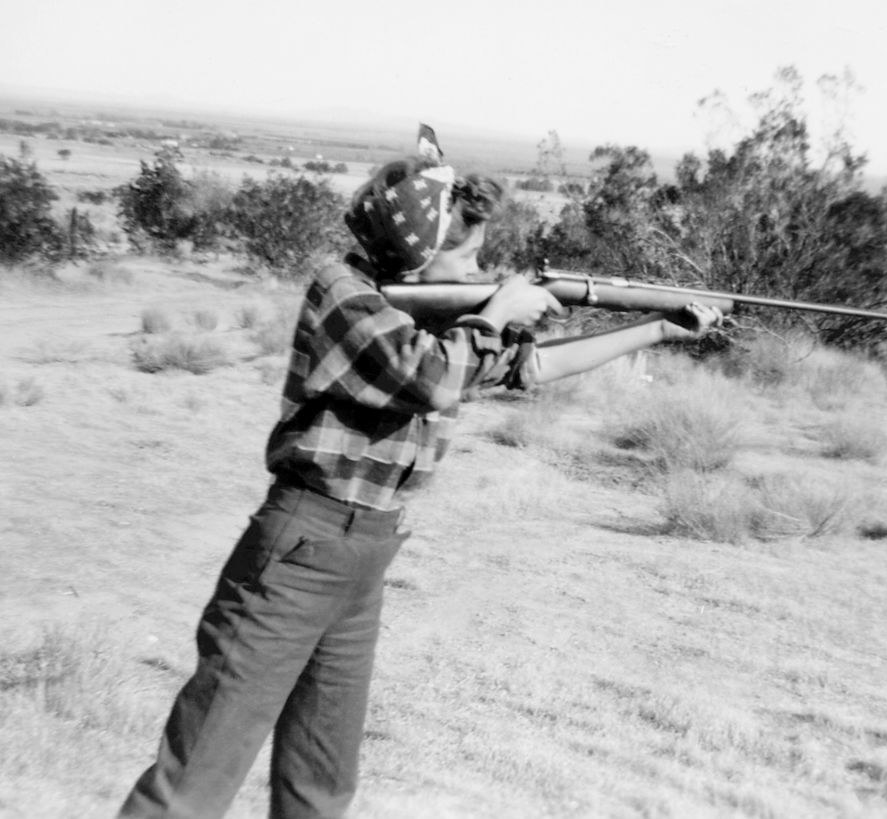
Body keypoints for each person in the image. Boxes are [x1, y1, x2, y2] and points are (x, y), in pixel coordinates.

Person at [118, 127, 721, 819]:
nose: (481, 271)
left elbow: (532, 367)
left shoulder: (450, 326)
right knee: (193, 781)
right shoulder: (343, 293)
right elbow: (430, 378)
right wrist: (496, 312)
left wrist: (660, 328)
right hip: (300, 547)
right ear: (415, 251)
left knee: (320, 784)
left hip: (366, 552)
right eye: (467, 257)